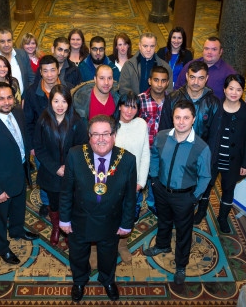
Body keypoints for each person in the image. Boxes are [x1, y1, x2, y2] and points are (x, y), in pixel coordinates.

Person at [59, 114, 137, 302]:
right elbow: (66, 191)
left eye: (105, 134)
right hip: (80, 218)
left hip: (110, 220)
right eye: (95, 134)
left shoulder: (127, 160)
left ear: (114, 136)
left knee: (108, 254)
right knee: (78, 254)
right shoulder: (75, 155)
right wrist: (64, 218)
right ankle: (79, 280)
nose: (101, 139)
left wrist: (127, 223)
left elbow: (130, 197)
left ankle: (107, 280)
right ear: (89, 136)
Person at [143, 100, 211, 285]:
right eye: (177, 117)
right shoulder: (163, 136)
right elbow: (154, 155)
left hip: (185, 197)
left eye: (186, 118)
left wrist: (194, 197)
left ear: (193, 119)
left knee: (183, 231)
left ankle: (181, 265)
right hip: (162, 191)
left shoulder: (201, 147)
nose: (181, 122)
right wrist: (155, 179)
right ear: (172, 118)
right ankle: (162, 245)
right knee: (163, 221)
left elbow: (205, 177)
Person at [0, 82, 39, 265]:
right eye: (1, 98)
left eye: (9, 97)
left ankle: (17, 230)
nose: (6, 102)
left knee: (19, 207)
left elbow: (22, 138)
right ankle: (1, 247)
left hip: (19, 173)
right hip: (1, 183)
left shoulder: (18, 112)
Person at [193, 74, 246, 233]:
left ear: (243, 91)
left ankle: (222, 218)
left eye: (239, 89)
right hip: (212, 157)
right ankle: (201, 212)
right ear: (224, 89)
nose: (234, 92)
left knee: (228, 189)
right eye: (231, 88)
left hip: (234, 161)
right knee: (206, 186)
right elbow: (205, 132)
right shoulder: (215, 107)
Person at [34, 84, 88, 246]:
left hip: (71, 172)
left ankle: (68, 228)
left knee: (70, 202)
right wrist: (56, 168)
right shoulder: (43, 120)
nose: (60, 106)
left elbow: (82, 147)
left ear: (69, 103)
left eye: (64, 101)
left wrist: (69, 167)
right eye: (56, 101)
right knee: (54, 202)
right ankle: (57, 227)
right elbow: (39, 148)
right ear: (50, 102)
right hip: (51, 173)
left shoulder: (77, 121)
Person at [113, 91, 150, 263]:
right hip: (111, 182)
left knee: (128, 215)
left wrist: (141, 182)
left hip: (132, 183)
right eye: (126, 105)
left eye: (133, 106)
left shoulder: (141, 124)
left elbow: (145, 154)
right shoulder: (110, 124)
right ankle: (96, 247)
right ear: (119, 106)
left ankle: (122, 246)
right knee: (105, 215)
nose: (129, 110)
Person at [25, 55, 64, 217]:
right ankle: (46, 202)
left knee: (64, 173)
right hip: (42, 145)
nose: (49, 75)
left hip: (63, 143)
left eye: (53, 70)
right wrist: (32, 146)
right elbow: (28, 121)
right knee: (45, 175)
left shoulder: (67, 88)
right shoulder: (31, 92)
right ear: (40, 72)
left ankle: (63, 201)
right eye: (45, 71)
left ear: (58, 70)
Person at [159, 60, 220, 143]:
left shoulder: (214, 103)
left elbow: (214, 136)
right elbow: (164, 129)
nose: (196, 82)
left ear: (206, 78)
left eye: (200, 78)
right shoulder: (172, 99)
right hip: (174, 149)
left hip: (200, 152)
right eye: (192, 77)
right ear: (187, 76)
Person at [138, 65, 171, 216]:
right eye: (156, 80)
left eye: (163, 81)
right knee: (139, 178)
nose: (159, 84)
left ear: (167, 83)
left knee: (156, 178)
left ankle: (152, 202)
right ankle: (136, 205)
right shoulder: (140, 100)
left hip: (163, 150)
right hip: (143, 148)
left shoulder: (172, 101)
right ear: (150, 80)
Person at [174, 36, 236, 100]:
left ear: (221, 51)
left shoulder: (229, 73)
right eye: (206, 48)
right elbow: (177, 88)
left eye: (214, 49)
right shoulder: (190, 65)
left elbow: (233, 99)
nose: (209, 52)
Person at [0, 28, 35, 100]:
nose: (6, 44)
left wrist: (27, 97)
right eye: (2, 41)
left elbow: (31, 78)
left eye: (9, 41)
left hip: (24, 100)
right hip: (2, 104)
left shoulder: (22, 54)